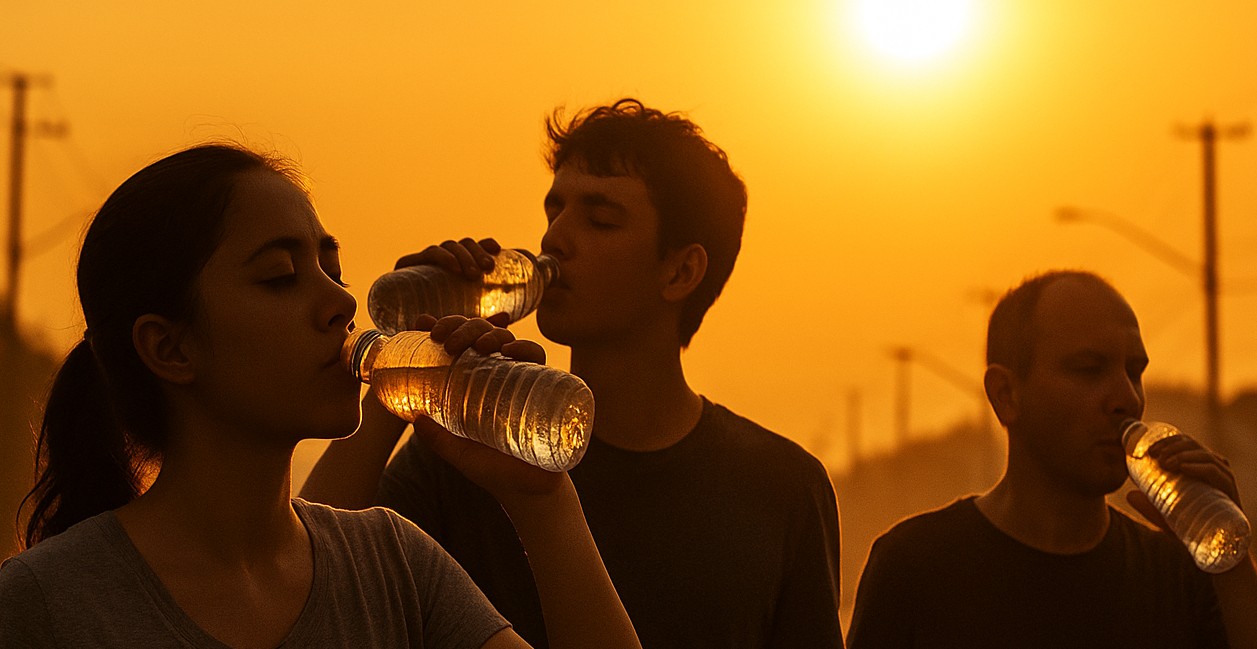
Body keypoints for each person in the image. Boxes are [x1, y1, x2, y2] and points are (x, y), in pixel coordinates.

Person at [0, 143, 641, 649]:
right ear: (171, 349)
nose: (341, 303)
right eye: (281, 277)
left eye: (333, 270)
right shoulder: (46, 604)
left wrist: (542, 500)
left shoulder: (393, 564)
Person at [301, 99, 845, 648]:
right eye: (553, 211)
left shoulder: (782, 489)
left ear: (681, 270)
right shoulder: (475, 450)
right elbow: (309, 584)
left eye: (600, 219)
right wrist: (408, 360)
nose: (554, 239)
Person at [846, 270, 1257, 648]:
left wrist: (1234, 564)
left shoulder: (1176, 577)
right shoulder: (916, 568)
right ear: (1006, 395)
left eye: (1134, 372)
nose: (1127, 398)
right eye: (1088, 369)